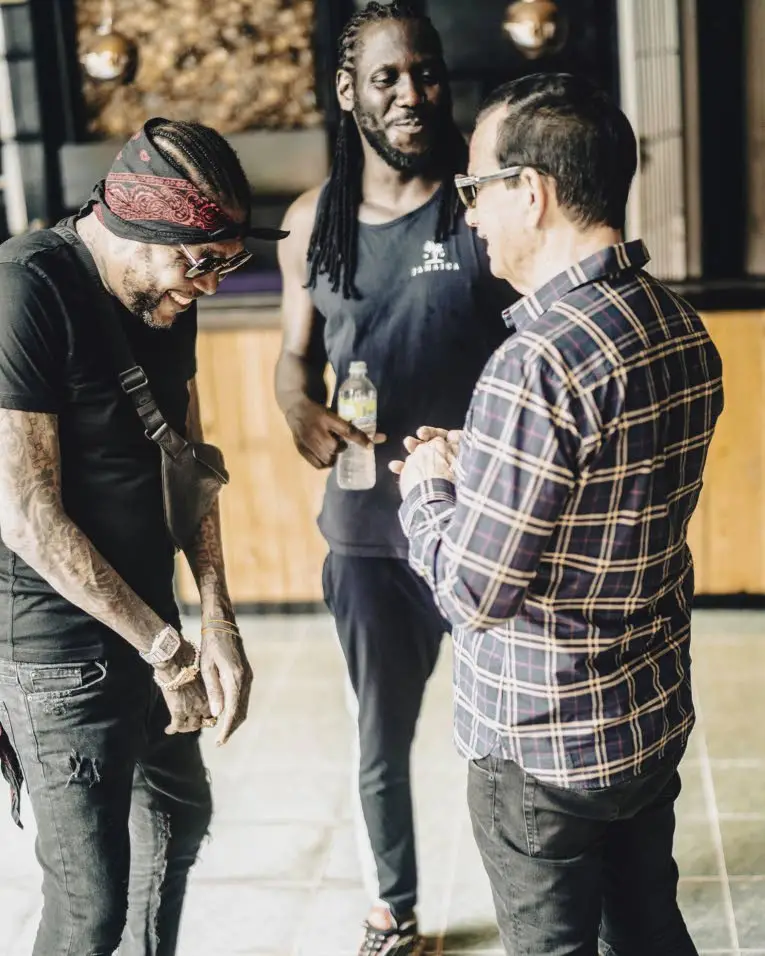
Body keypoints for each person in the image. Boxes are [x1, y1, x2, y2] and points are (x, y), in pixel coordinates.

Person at [392, 73, 724, 955]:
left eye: (475, 189)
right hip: (644, 720)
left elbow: (471, 592)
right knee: (651, 929)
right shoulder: (677, 324)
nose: (468, 215)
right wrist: (488, 460)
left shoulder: (534, 362)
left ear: (529, 192)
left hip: (542, 749)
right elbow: (605, 500)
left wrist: (429, 483)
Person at [0, 117, 280, 955]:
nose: (209, 288)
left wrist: (216, 617)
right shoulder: (27, 289)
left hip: (147, 627)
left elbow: (187, 461)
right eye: (200, 264)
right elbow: (25, 514)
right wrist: (170, 653)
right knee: (88, 908)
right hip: (54, 654)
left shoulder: (164, 302)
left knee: (174, 821)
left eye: (225, 266)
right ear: (134, 230)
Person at [275, 2, 514, 951]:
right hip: (371, 532)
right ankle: (395, 910)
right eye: (386, 78)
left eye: (424, 73)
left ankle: (545, 894)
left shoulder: (480, 202)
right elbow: (295, 358)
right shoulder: (311, 224)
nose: (411, 93)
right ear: (348, 93)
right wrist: (294, 406)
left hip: (497, 519)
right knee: (380, 735)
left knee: (512, 732)